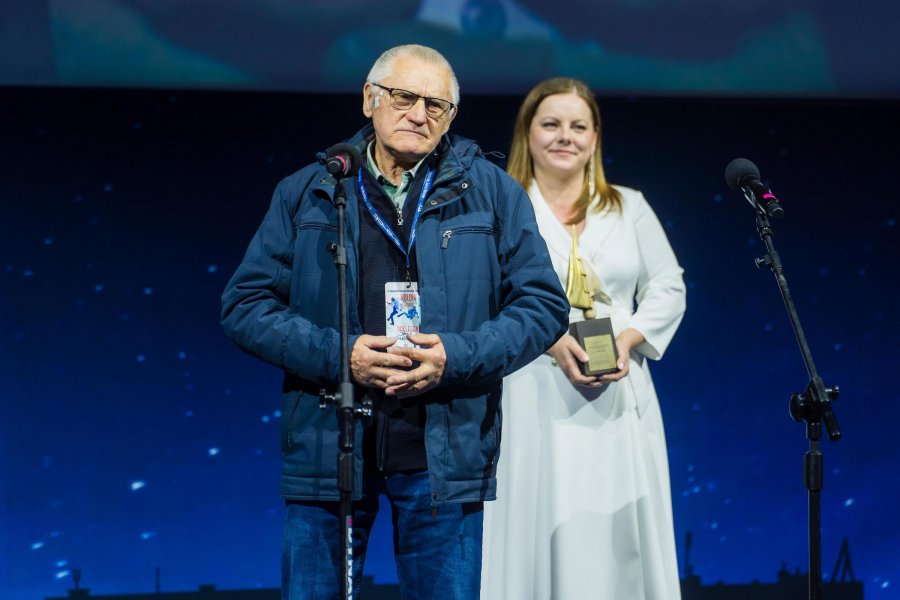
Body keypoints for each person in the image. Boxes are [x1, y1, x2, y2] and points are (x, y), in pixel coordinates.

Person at [220, 45, 568, 600]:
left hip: (444, 452)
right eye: (405, 97)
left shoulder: (494, 193)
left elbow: (544, 306)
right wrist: (344, 356)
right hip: (330, 446)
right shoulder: (310, 190)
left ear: (452, 117)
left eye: (437, 105)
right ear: (370, 100)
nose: (419, 114)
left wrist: (455, 356)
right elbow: (245, 306)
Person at [480, 77, 686, 599]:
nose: (564, 136)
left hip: (619, 390)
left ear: (595, 138)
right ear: (528, 134)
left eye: (578, 126)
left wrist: (629, 338)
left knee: (620, 536)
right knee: (537, 516)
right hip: (533, 386)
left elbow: (668, 286)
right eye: (550, 124)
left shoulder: (629, 207)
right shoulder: (503, 208)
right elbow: (484, 295)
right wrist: (548, 341)